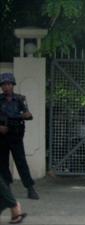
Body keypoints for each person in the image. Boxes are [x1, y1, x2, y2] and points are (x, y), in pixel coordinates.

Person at [0, 72, 39, 200]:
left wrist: (24, 115)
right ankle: (7, 189)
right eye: (4, 84)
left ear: (13, 85)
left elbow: (28, 114)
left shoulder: (20, 99)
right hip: (2, 135)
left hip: (16, 135)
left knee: (21, 162)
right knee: (3, 163)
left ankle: (30, 188)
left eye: (9, 84)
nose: (6, 87)